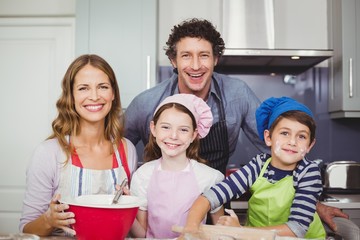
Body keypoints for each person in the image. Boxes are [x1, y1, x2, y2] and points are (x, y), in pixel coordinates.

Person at [124, 18, 348, 231]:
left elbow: (281, 149)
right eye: (186, 56)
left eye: (203, 55)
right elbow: (116, 149)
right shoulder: (147, 103)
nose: (195, 65)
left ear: (215, 59)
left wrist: (312, 203)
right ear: (174, 60)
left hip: (216, 203)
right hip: (158, 216)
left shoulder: (237, 94)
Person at [19, 54, 138, 237]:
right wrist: (48, 220)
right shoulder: (49, 153)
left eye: (103, 87)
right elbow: (26, 230)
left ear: (113, 93)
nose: (94, 96)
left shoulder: (127, 150)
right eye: (83, 88)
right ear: (71, 96)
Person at [183, 97, 326, 238]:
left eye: (301, 136)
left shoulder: (308, 172)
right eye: (284, 133)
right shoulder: (258, 165)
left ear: (310, 145)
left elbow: (297, 229)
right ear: (268, 137)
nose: (293, 142)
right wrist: (191, 226)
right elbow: (211, 196)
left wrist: (242, 232)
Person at [129, 94, 224, 238]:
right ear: (153, 129)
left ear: (194, 135)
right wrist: (125, 210)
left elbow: (220, 233)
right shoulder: (142, 176)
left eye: (183, 130)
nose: (173, 136)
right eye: (166, 127)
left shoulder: (210, 177)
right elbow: (141, 235)